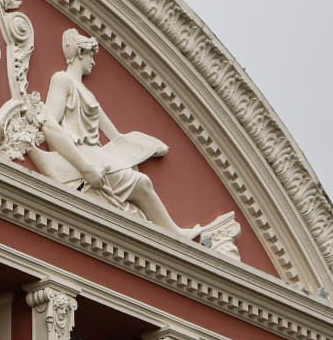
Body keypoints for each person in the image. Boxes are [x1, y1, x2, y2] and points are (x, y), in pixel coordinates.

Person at [30, 29, 210, 239]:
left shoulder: (87, 93)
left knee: (139, 177)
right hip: (83, 156)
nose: (93, 62)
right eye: (91, 55)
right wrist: (85, 168)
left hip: (96, 154)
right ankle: (175, 234)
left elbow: (116, 136)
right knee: (142, 182)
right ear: (80, 52)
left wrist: (148, 148)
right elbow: (50, 125)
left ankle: (172, 232)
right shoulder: (62, 80)